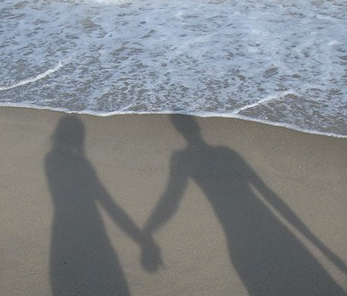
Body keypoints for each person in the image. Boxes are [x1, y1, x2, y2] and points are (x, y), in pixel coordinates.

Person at [142, 115, 346, 295]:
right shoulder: (226, 154)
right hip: (269, 226)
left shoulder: (184, 159)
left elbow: (172, 200)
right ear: (197, 125)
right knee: (310, 279)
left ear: (179, 129)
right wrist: (316, 243)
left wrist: (149, 230)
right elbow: (268, 194)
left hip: (239, 235)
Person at [45, 116, 160, 295]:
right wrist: (142, 240)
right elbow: (110, 207)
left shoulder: (49, 161)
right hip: (90, 232)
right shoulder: (82, 167)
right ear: (78, 139)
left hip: (62, 234)